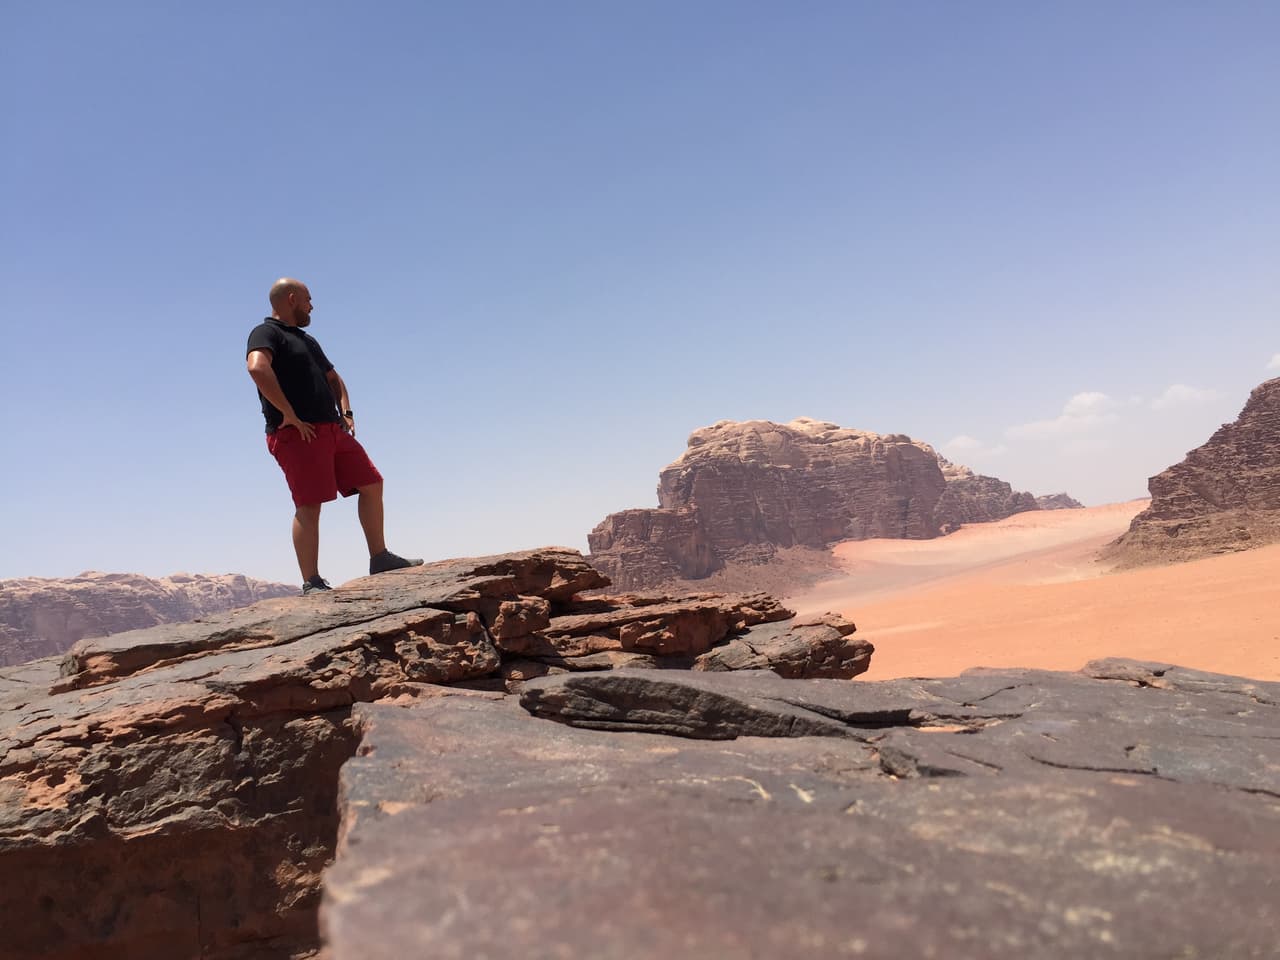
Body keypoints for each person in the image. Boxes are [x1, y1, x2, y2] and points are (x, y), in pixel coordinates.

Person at [246, 277, 421, 593]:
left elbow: (333, 378)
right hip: (300, 434)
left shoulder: (306, 340)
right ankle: (311, 581)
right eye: (308, 299)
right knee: (310, 503)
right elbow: (257, 368)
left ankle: (379, 557)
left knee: (371, 483)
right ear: (291, 299)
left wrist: (347, 412)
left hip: (332, 430)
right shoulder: (266, 332)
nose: (312, 305)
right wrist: (288, 413)